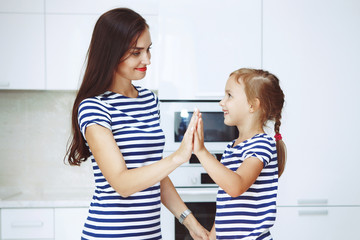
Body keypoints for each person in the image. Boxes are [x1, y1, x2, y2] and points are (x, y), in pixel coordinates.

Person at [65, 8, 208, 240]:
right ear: (111, 52)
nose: (147, 60)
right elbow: (122, 183)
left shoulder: (149, 100)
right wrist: (178, 157)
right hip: (109, 235)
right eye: (136, 52)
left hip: (151, 235)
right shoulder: (94, 107)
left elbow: (155, 175)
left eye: (148, 49)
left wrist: (190, 223)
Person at [192, 68, 286, 239]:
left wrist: (201, 152)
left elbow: (236, 187)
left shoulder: (262, 145)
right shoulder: (232, 147)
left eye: (229, 95)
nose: (222, 102)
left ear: (252, 105)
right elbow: (227, 205)